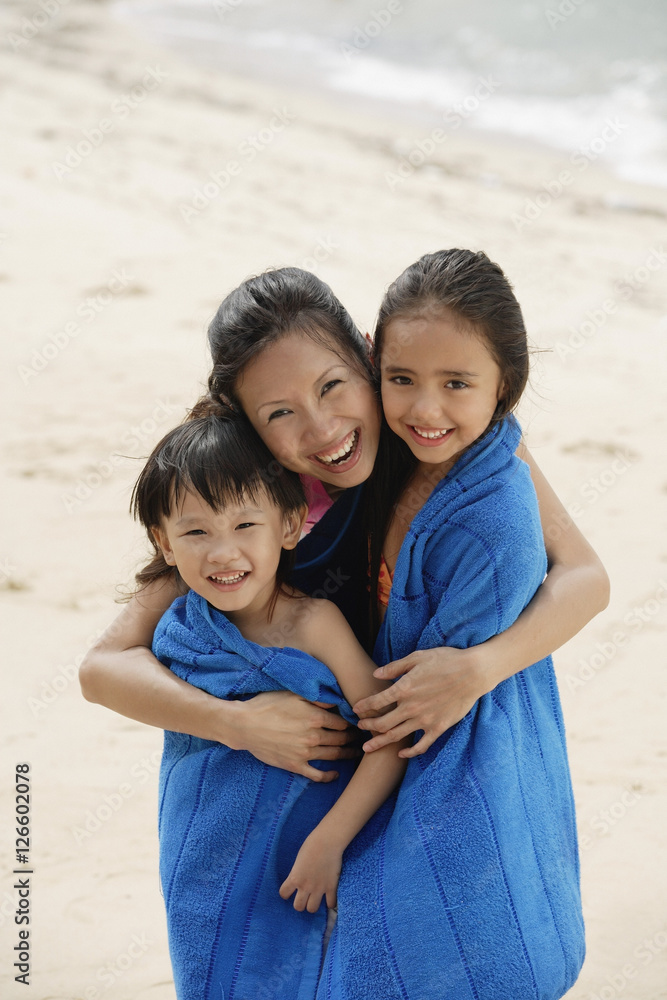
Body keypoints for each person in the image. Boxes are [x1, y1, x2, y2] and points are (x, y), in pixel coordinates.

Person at [79, 268, 609, 779]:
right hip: (301, 767)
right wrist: (236, 724)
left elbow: (586, 576)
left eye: (331, 385)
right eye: (279, 413)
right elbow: (102, 668)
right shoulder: (246, 503)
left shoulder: (438, 429)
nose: (323, 429)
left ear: (368, 356)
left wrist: (481, 668)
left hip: (409, 744)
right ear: (243, 421)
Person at [319, 249, 588, 999]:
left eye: (457, 384)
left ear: (504, 386)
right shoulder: (374, 445)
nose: (426, 409)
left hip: (452, 726)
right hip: (377, 724)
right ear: (373, 363)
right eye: (401, 379)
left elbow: (586, 576)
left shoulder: (492, 488)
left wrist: (479, 667)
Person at [132, 406, 408, 1000]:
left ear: (289, 526)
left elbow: (390, 736)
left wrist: (330, 841)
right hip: (207, 856)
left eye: (244, 525)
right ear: (164, 542)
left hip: (308, 857)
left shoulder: (314, 624)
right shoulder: (179, 626)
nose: (222, 553)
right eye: (195, 532)